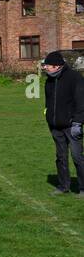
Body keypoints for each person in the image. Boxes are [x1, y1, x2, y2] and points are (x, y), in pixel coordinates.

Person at [42, 50, 84, 195]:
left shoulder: (75, 78)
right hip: (55, 126)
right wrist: (49, 117)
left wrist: (78, 123)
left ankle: (83, 188)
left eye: (47, 65)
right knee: (60, 157)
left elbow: (81, 102)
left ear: (57, 66)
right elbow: (48, 101)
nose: (45, 67)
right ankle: (63, 186)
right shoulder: (49, 80)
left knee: (78, 157)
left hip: (72, 126)